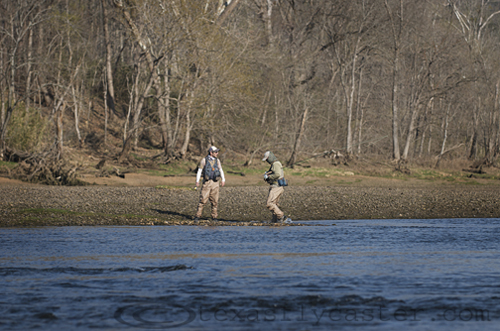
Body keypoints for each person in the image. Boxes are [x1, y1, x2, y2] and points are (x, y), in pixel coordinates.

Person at [194, 146, 225, 221]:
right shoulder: (204, 160)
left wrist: (223, 179)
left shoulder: (217, 161)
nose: (217, 153)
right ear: (211, 152)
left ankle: (214, 216)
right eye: (215, 152)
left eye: (217, 152)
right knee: (203, 200)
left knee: (215, 201)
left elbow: (221, 170)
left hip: (215, 183)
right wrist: (197, 181)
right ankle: (198, 216)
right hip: (206, 183)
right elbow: (199, 171)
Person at [262, 151, 287, 223]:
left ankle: (281, 216)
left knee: (269, 203)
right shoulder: (275, 164)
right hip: (278, 187)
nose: (266, 161)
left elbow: (278, 174)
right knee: (274, 204)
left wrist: (269, 177)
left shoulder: (276, 164)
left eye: (267, 159)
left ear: (270, 158)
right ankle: (275, 221)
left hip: (276, 187)